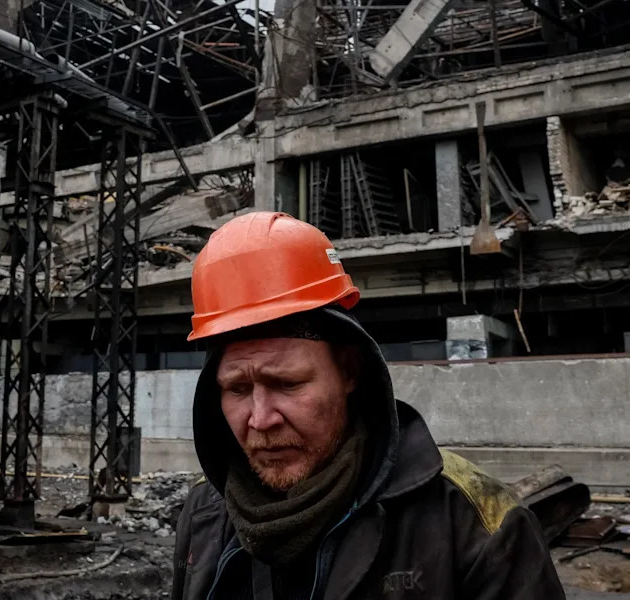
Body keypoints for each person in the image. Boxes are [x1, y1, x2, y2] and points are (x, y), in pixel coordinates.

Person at [171, 212, 566, 600]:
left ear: (348, 371)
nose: (261, 419)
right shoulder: (206, 512)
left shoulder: (474, 521)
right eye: (237, 389)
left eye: (287, 384)